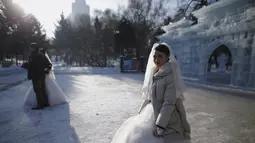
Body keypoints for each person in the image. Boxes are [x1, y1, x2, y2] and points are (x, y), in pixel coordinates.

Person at [111, 43, 191, 143]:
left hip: (168, 119)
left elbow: (168, 104)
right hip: (153, 112)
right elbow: (150, 96)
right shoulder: (155, 73)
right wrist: (141, 113)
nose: (157, 59)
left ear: (167, 58)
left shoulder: (171, 77)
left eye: (160, 56)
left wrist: (160, 126)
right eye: (155, 56)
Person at [22, 43, 52, 110]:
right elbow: (48, 64)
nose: (29, 49)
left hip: (36, 75)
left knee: (38, 90)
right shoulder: (41, 54)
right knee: (42, 89)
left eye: (30, 47)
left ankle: (40, 105)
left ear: (33, 48)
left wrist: (25, 65)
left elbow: (33, 66)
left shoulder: (33, 55)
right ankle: (45, 103)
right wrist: (46, 70)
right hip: (41, 74)